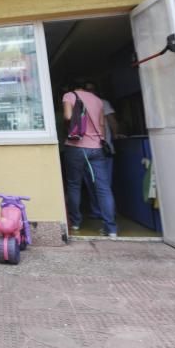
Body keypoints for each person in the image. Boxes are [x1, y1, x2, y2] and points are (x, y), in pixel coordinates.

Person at [62, 81, 117, 238]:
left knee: (74, 185)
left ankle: (76, 222)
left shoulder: (70, 96)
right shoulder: (98, 100)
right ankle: (111, 228)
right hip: (97, 147)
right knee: (104, 188)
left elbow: (67, 116)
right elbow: (101, 125)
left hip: (76, 146)